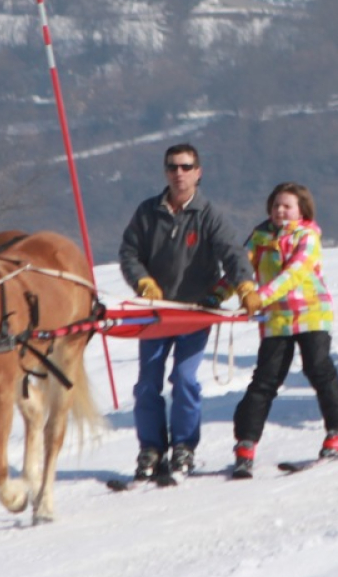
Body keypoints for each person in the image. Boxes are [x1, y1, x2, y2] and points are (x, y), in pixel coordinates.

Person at [118, 143, 253, 483]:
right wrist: (144, 282)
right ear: (166, 172)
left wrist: (245, 287)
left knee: (185, 379)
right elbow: (129, 252)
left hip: (194, 312)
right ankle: (150, 447)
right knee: (147, 383)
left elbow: (233, 254)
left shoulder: (208, 215)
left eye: (186, 166)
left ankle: (183, 446)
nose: (179, 173)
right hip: (156, 311)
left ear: (198, 172)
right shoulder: (148, 212)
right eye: (173, 167)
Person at [227, 183, 338, 478]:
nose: (280, 211)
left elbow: (294, 273)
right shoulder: (259, 237)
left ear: (302, 210)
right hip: (276, 318)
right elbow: (240, 269)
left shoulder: (307, 236)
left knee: (318, 369)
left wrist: (260, 297)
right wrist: (215, 296)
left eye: (287, 206)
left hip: (311, 312)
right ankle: (245, 443)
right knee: (265, 379)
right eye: (276, 205)